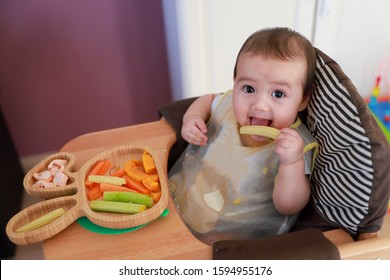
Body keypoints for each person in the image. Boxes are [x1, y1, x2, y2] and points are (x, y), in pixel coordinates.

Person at [168, 27, 317, 245]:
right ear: (235, 82)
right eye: (248, 89)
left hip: (232, 236)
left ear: (303, 100)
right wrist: (192, 118)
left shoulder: (295, 146)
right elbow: (209, 99)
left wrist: (291, 163)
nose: (259, 104)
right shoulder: (228, 106)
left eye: (278, 94)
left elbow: (289, 205)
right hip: (181, 201)